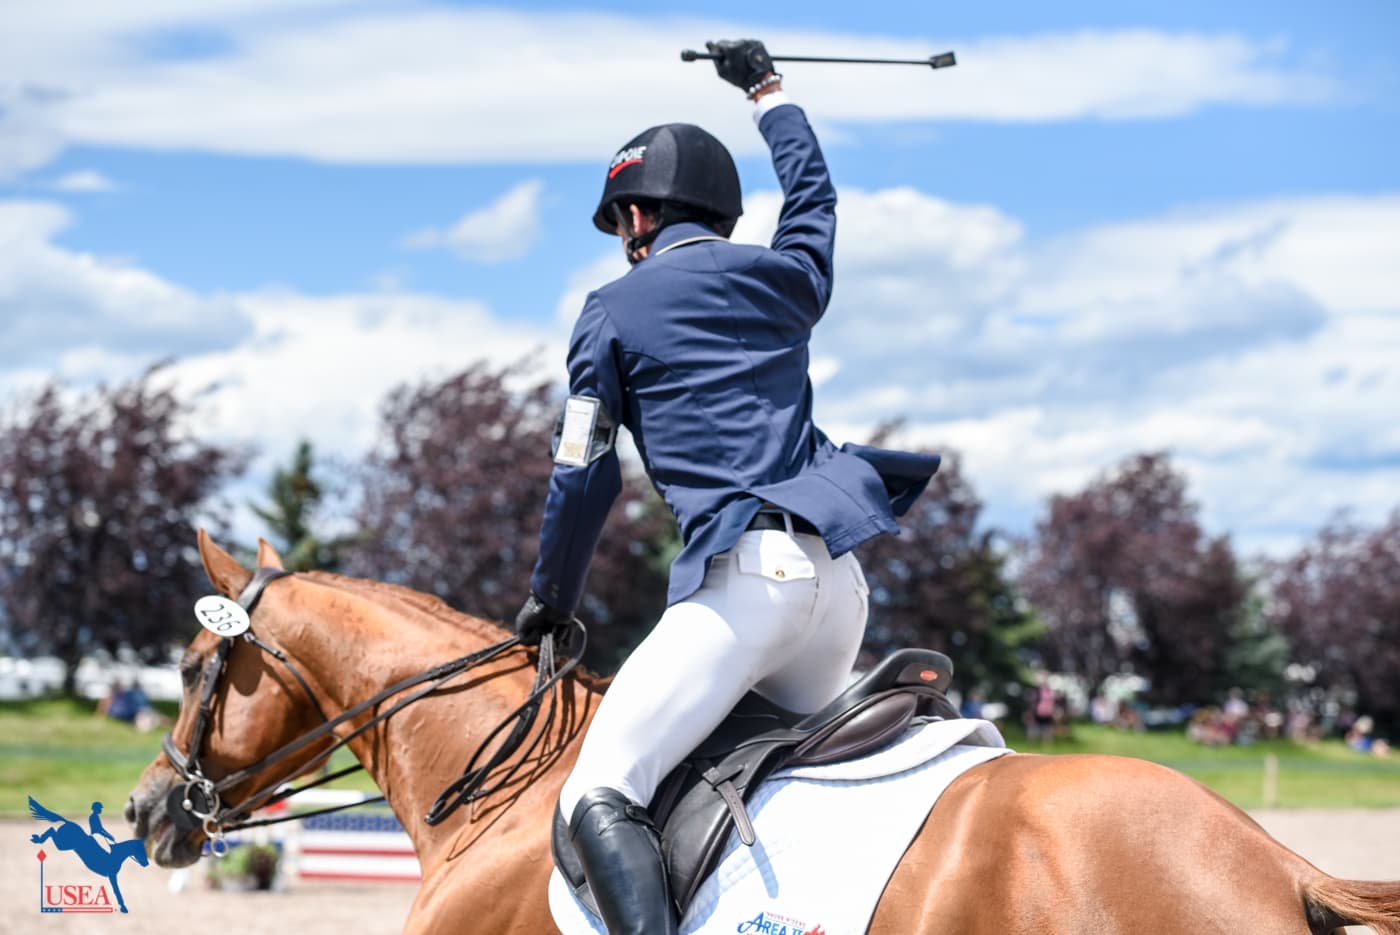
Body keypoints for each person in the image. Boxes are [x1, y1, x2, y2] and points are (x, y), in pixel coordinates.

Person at [513, 39, 941, 935]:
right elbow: (814, 200)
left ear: (637, 215)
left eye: (621, 224)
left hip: (748, 586)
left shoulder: (610, 311)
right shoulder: (788, 280)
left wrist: (552, 598)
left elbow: (582, 472)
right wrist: (768, 93)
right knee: (765, 780)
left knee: (600, 789)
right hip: (840, 588)